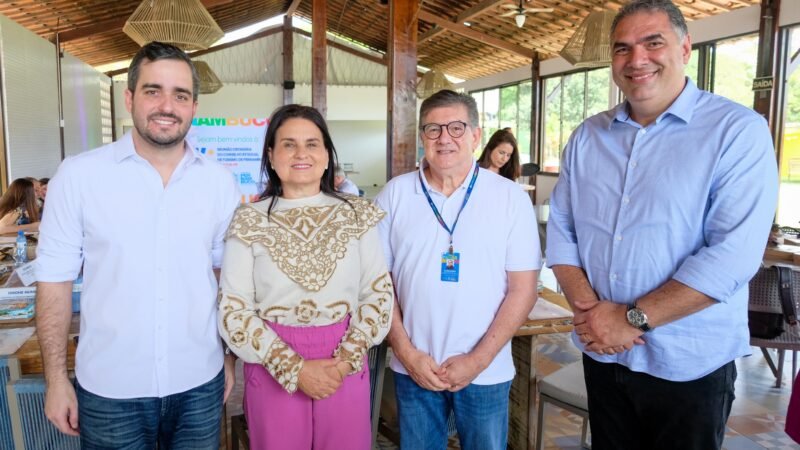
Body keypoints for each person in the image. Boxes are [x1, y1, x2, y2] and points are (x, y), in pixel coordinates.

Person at [546, 1, 778, 449]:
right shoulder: (587, 137)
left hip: (688, 361)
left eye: (653, 43)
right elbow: (561, 228)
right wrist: (592, 314)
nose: (637, 60)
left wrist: (633, 319)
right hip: (604, 354)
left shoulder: (736, 132)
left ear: (686, 47)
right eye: (622, 48)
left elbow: (733, 255)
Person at [35, 41, 240, 448]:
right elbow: (54, 282)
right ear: (129, 98)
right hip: (111, 391)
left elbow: (227, 278)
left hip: (199, 382)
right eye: (153, 90)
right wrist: (56, 379)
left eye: (180, 94)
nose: (168, 105)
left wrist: (228, 357)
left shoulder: (219, 182)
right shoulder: (78, 177)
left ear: (194, 106)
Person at [218, 104, 392, 450]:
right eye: (289, 144)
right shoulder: (248, 220)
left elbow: (378, 295)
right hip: (271, 359)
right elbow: (233, 310)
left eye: (312, 144)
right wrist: (295, 369)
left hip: (343, 358)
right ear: (271, 155)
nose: (301, 153)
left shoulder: (356, 215)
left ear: (327, 156)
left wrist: (343, 363)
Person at [375, 89, 540, 450]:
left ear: (476, 135)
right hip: (415, 367)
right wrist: (407, 354)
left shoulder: (509, 198)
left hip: (486, 370)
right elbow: (377, 286)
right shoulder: (395, 195)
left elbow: (523, 290)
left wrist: (477, 361)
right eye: (433, 129)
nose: (444, 138)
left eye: (456, 127)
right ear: (422, 138)